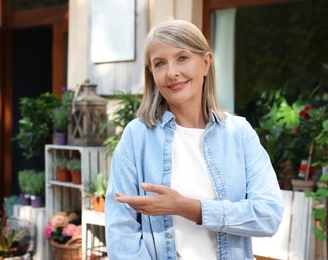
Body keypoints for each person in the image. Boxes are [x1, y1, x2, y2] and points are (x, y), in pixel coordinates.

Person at [105, 19, 284, 260]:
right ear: (152, 74)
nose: (172, 73)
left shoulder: (239, 133)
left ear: (206, 63)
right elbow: (121, 234)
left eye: (182, 58)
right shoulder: (137, 137)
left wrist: (187, 207)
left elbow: (268, 215)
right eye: (160, 63)